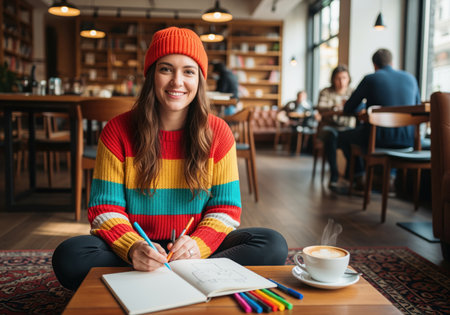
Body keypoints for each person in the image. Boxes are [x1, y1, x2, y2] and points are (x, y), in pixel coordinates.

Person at [52, 27, 288, 291]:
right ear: (152, 75)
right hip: (138, 246)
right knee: (70, 256)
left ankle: (171, 275)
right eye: (166, 69)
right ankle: (191, 277)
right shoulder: (117, 130)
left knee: (272, 244)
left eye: (188, 71)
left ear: (199, 79)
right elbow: (105, 209)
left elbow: (225, 209)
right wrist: (133, 247)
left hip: (192, 247)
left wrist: (197, 246)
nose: (177, 81)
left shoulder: (219, 132)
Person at [335, 48, 421, 192]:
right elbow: (416, 108)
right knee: (380, 137)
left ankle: (360, 177)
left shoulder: (370, 78)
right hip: (408, 140)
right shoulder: (410, 78)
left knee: (342, 136)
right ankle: (389, 179)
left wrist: (363, 106)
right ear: (392, 63)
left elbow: (349, 108)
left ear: (374, 65)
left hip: (378, 139)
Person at [316, 65, 355, 187]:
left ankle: (350, 175)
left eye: (344, 78)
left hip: (347, 128)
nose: (341, 81)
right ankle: (334, 175)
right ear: (333, 79)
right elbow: (321, 109)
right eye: (338, 78)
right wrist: (335, 107)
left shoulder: (353, 92)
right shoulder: (326, 92)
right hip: (329, 127)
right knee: (331, 135)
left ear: (349, 78)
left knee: (353, 137)